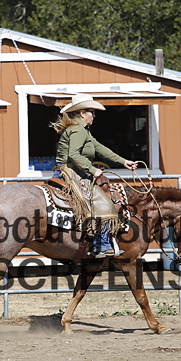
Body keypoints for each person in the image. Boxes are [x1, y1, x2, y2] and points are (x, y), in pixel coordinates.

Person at [51, 94, 139, 257]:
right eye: (91, 112)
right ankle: (101, 245)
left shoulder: (82, 129)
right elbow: (73, 155)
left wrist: (123, 161)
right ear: (82, 114)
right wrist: (92, 169)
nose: (94, 115)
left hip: (72, 171)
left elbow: (99, 148)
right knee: (103, 203)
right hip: (70, 172)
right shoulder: (78, 129)